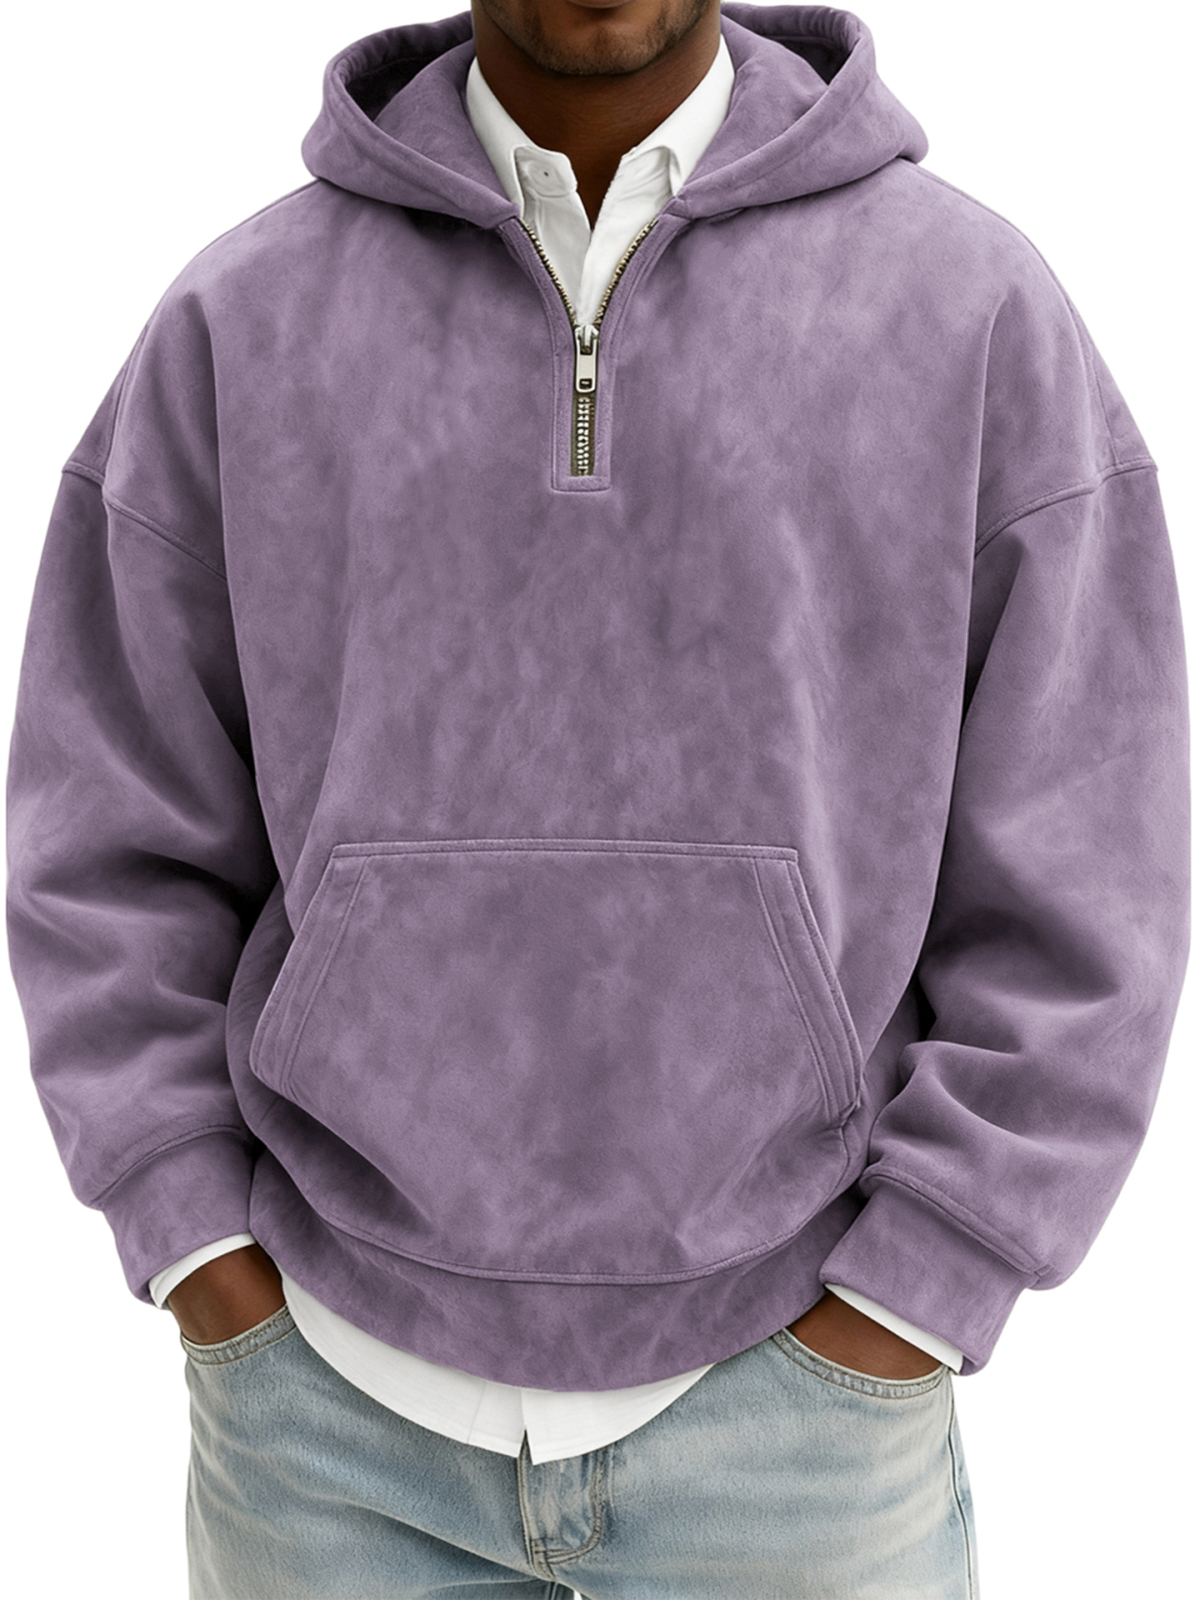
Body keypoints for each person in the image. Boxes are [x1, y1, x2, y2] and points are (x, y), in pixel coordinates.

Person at [4, 1, 1189, 1595]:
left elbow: (1095, 848)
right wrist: (195, 1242)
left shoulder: (967, 308)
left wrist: (927, 1284)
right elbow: (104, 825)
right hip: (326, 1426)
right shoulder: (248, 315)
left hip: (803, 1429)